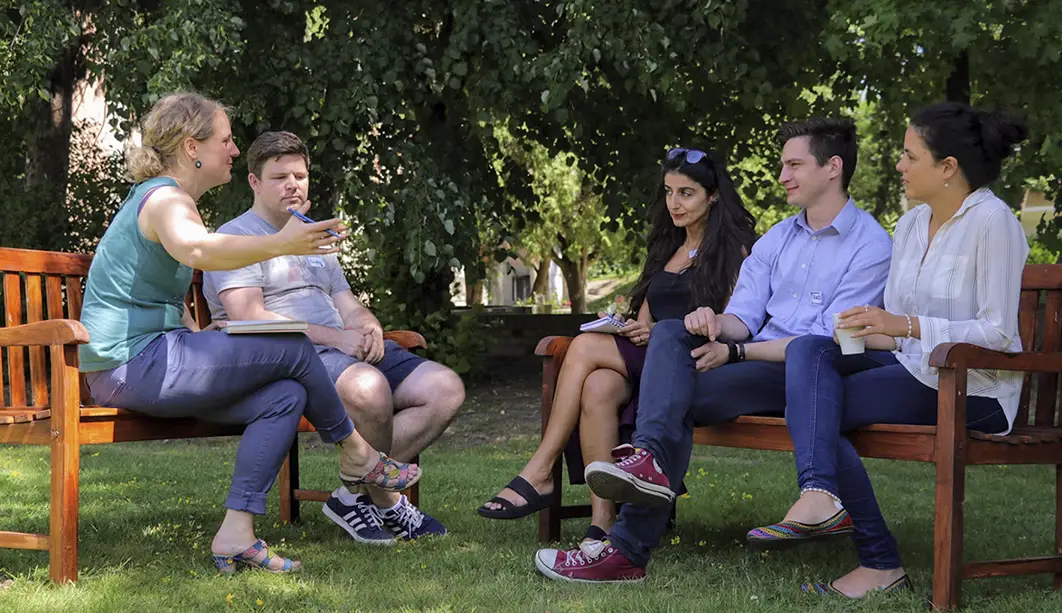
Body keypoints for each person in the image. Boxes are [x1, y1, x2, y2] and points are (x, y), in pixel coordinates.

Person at [534, 118, 894, 583]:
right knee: (670, 334)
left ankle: (625, 549)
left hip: (815, 377)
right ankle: (646, 465)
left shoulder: (870, 244)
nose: (782, 175)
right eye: (782, 164)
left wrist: (737, 354)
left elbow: (826, 343)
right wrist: (711, 321)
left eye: (794, 165)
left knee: (672, 403)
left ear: (833, 168)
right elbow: (741, 320)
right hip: (758, 370)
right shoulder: (777, 239)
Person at [78, 93, 420, 574]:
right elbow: (197, 251)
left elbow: (157, 295)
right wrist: (278, 242)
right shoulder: (166, 200)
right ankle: (358, 454)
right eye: (226, 140)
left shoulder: (174, 201)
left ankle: (236, 533)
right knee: (291, 343)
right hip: (128, 366)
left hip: (154, 359)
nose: (235, 151)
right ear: (192, 146)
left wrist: (199, 334)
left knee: (282, 394)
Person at [746, 102, 1029, 598]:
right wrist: (860, 330)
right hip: (912, 366)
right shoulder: (913, 225)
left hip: (973, 387)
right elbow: (896, 334)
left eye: (908, 155)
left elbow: (999, 333)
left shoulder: (993, 222)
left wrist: (905, 324)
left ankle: (878, 561)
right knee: (811, 350)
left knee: (815, 410)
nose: (898, 164)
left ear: (948, 168)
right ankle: (818, 495)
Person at [478, 147, 758, 544]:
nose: (673, 203)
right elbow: (644, 321)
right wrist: (635, 330)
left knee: (585, 347)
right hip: (652, 357)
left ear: (713, 196)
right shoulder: (668, 249)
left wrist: (667, 331)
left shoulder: (738, 252)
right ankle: (602, 523)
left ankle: (540, 470)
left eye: (686, 193)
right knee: (598, 386)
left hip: (695, 362)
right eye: (668, 192)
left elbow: (735, 322)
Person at [204, 131, 463, 543]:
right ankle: (388, 502)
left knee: (444, 388)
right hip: (286, 356)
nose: (293, 184)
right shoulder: (234, 239)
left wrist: (367, 324)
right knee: (370, 387)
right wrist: (336, 338)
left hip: (342, 347)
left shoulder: (313, 233)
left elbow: (344, 299)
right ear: (253, 182)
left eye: (301, 175)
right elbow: (247, 316)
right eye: (280, 177)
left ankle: (352, 494)